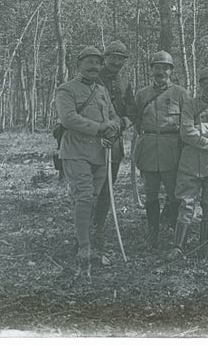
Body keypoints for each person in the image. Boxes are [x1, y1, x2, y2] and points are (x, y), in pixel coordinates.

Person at [52, 46, 118, 277]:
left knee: (92, 198)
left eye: (97, 63)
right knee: (83, 195)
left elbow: (112, 115)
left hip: (100, 152)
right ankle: (83, 247)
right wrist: (100, 128)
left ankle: (85, 238)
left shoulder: (101, 90)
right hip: (76, 150)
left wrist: (115, 127)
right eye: (89, 62)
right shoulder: (66, 89)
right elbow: (68, 118)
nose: (93, 67)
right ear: (79, 64)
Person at [170, 66, 208, 256]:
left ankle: (204, 247)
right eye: (207, 83)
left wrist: (200, 127)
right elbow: (186, 132)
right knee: (186, 203)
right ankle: (178, 247)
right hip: (190, 163)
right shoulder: (190, 105)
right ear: (201, 84)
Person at [130, 50, 186, 252]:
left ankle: (172, 230)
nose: (161, 71)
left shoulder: (181, 93)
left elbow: (189, 122)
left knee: (175, 194)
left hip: (172, 148)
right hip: (149, 148)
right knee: (151, 194)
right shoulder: (142, 94)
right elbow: (135, 121)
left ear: (171, 70)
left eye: (165, 67)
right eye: (157, 67)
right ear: (151, 69)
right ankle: (152, 232)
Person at [92, 40, 134, 256]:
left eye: (121, 58)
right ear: (104, 57)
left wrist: (122, 124)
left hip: (114, 143)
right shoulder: (91, 77)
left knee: (107, 187)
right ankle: (85, 232)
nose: (116, 62)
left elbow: (131, 111)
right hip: (91, 142)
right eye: (113, 57)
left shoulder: (124, 81)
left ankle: (97, 230)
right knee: (90, 188)